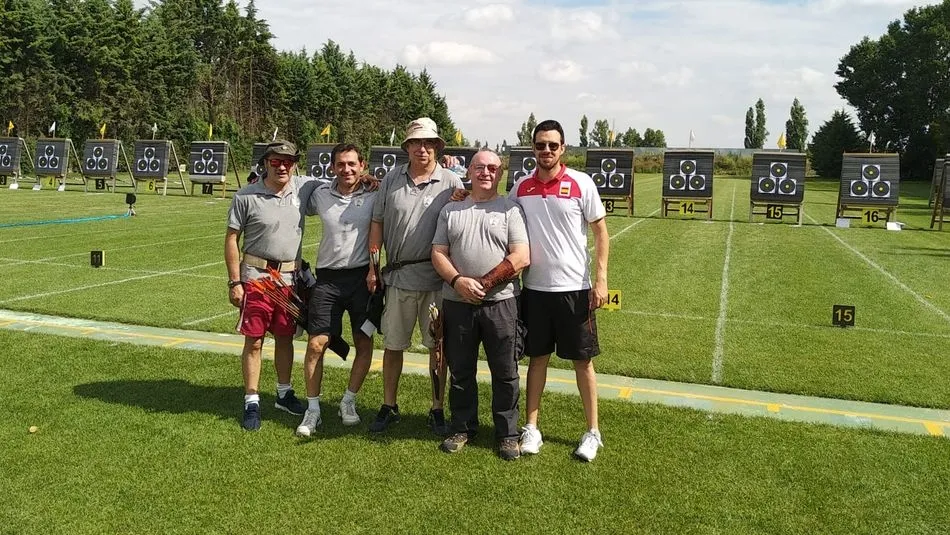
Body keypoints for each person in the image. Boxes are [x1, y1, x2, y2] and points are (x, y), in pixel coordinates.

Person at [509, 120, 610, 462]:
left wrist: (601, 280)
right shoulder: (521, 187)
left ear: (563, 148)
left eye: (553, 145)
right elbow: (497, 210)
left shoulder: (582, 183)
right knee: (537, 358)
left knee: (583, 361)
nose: (547, 151)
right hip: (534, 289)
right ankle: (532, 428)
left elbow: (601, 234)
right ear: (533, 148)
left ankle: (593, 432)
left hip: (575, 289)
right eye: (540, 145)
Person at [367, 117, 464, 434]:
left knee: (438, 349)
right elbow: (377, 222)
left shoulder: (452, 182)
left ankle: (437, 408)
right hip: (397, 278)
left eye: (428, 143)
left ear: (437, 146)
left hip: (437, 281)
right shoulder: (392, 178)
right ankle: (389, 404)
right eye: (416, 143)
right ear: (407, 147)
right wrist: (372, 264)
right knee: (393, 346)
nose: (422, 148)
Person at [431, 149, 529, 460]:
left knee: (505, 371)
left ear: (501, 174)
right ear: (469, 171)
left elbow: (521, 256)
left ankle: (507, 433)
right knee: (461, 370)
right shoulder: (451, 210)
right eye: (479, 167)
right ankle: (462, 427)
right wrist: (459, 281)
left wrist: (483, 285)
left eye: (492, 168)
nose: (485, 172)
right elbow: (438, 253)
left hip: (501, 303)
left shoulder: (511, 210)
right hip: (456, 302)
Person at [225, 140, 315, 431]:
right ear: (265, 163)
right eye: (276, 161)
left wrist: (367, 180)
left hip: (289, 280)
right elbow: (231, 240)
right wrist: (235, 281)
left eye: (288, 161)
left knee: (286, 338)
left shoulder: (303, 188)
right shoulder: (246, 196)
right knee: (254, 340)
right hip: (257, 279)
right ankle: (251, 399)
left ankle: (283, 393)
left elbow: (342, 183)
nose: (282, 166)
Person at [295, 143, 377, 436]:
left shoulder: (374, 193)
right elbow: (290, 181)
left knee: (363, 342)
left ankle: (348, 401)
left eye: (352, 164)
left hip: (362, 280)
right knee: (317, 343)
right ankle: (313, 410)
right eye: (341, 164)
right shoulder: (319, 194)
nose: (347, 169)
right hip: (327, 280)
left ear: (362, 165)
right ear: (332, 167)